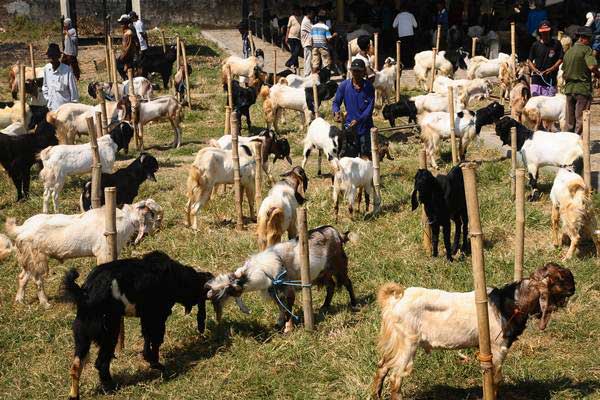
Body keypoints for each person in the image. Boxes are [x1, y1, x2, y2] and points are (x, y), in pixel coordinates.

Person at [333, 59, 375, 158]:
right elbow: (336, 102)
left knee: (365, 158)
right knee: (351, 158)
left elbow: (369, 109)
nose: (356, 74)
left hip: (365, 128)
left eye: (359, 71)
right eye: (354, 71)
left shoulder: (369, 88)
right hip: (349, 128)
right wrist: (336, 112)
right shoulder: (344, 86)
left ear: (364, 72)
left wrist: (358, 120)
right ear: (351, 71)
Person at [562, 27, 600, 134]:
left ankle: (568, 143)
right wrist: (598, 74)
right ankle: (578, 145)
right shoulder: (586, 49)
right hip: (582, 90)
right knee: (581, 120)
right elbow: (592, 66)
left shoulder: (568, 52)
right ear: (583, 39)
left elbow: (564, 74)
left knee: (569, 121)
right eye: (589, 39)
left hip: (569, 90)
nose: (590, 41)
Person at [527, 21, 563, 96]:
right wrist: (534, 70)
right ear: (539, 32)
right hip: (537, 80)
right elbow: (529, 60)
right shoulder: (535, 45)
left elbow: (561, 58)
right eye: (542, 32)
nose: (544, 34)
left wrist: (552, 68)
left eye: (546, 32)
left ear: (550, 31)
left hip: (550, 80)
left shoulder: (556, 44)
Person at [42, 43, 79, 111]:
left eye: (54, 56)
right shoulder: (46, 69)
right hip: (51, 109)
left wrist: (73, 108)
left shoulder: (67, 70)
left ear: (58, 56)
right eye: (50, 56)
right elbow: (45, 86)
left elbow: (73, 92)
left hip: (65, 111)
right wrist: (48, 98)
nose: (52, 58)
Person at [392, 3, 417, 68]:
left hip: (402, 35)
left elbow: (394, 25)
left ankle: (404, 64)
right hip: (410, 35)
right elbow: (415, 25)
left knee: (403, 50)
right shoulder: (411, 15)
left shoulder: (398, 15)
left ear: (401, 9)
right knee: (410, 50)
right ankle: (410, 64)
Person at [116, 14, 138, 80]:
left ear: (125, 24)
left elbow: (127, 48)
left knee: (118, 64)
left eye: (122, 23)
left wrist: (122, 57)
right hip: (129, 55)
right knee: (130, 71)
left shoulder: (128, 34)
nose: (121, 25)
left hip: (128, 56)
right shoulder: (127, 32)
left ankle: (126, 80)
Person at [285, 6, 302, 73]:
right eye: (295, 10)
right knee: (293, 52)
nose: (297, 11)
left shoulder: (302, 17)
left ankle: (288, 63)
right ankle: (296, 65)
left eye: (298, 10)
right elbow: (288, 28)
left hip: (298, 37)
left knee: (296, 51)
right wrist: (286, 37)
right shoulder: (291, 17)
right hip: (291, 37)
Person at [301, 7, 314, 76]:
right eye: (312, 13)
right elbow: (314, 29)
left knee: (308, 59)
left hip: (308, 43)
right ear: (308, 13)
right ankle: (307, 74)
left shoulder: (307, 20)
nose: (313, 15)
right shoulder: (306, 21)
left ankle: (307, 73)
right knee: (308, 59)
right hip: (307, 43)